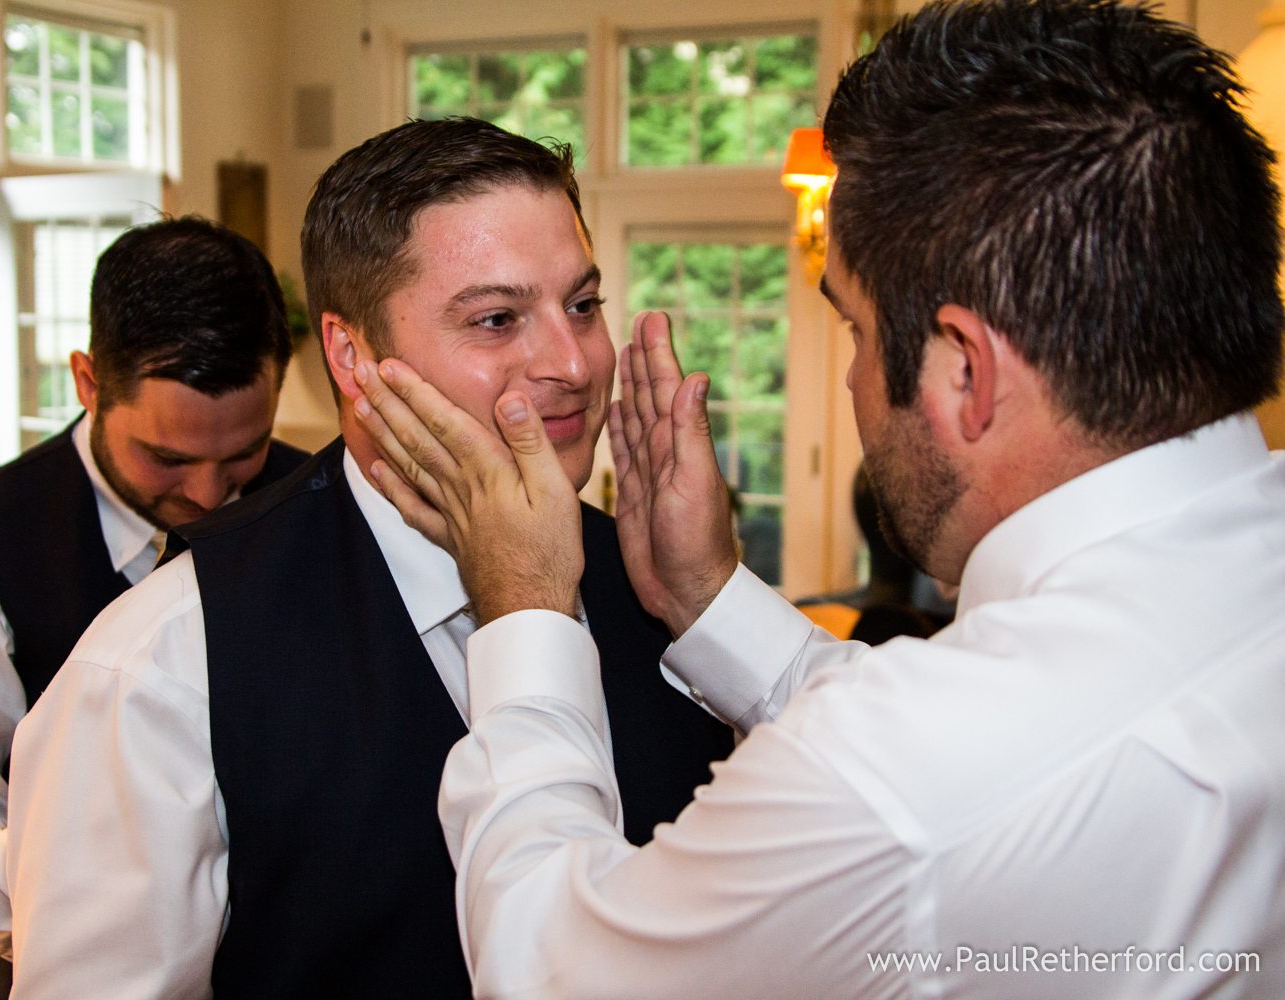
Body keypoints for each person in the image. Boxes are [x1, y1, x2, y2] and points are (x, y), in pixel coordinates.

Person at [353, 1, 1285, 996]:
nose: (847, 384)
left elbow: (551, 967)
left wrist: (529, 606)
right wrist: (710, 595)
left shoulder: (902, 778)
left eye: (850, 326)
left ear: (965, 369)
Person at [2, 118, 733, 998]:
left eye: (582, 305)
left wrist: (712, 602)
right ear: (352, 355)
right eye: (497, 319)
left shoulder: (676, 597)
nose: (575, 363)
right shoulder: (163, 663)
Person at [0, 216, 309, 995]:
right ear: (86, 383)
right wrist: (144, 882)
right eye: (167, 458)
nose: (209, 496)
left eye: (245, 450)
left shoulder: (321, 509)